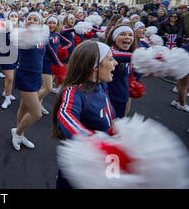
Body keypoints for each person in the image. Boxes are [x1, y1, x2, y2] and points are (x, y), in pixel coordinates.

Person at [51, 40, 117, 189]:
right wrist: (93, 143)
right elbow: (66, 115)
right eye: (110, 58)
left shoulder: (101, 84)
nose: (116, 63)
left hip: (103, 164)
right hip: (81, 173)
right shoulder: (74, 92)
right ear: (95, 67)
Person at [11, 12, 46, 151]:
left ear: (40, 23)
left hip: (36, 76)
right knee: (37, 113)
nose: (31, 20)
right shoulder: (23, 36)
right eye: (29, 19)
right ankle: (17, 132)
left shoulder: (41, 37)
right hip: (25, 76)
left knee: (24, 107)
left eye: (35, 19)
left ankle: (21, 133)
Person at [105, 24, 137, 118]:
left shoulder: (130, 53)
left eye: (130, 35)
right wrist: (144, 56)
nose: (127, 37)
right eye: (122, 34)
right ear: (114, 38)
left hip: (122, 97)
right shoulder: (110, 52)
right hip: (108, 98)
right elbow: (114, 55)